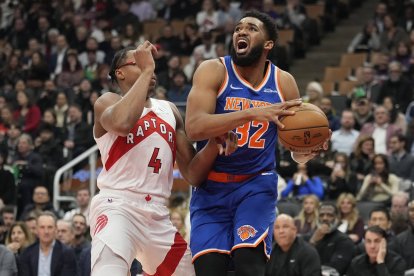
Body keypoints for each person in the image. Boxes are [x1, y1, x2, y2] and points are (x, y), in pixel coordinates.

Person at [185, 11, 329, 276]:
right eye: (238, 28)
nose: (241, 32)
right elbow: (193, 128)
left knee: (248, 262)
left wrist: (307, 151)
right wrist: (252, 113)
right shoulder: (213, 70)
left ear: (268, 44)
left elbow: (296, 153)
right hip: (211, 188)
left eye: (251, 29)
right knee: (210, 269)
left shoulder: (283, 82)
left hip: (255, 184)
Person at [90, 42, 237, 275]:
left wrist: (213, 143)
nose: (151, 68)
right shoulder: (107, 101)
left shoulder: (169, 110)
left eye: (151, 65)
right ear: (120, 73)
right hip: (117, 206)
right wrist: (146, 71)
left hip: (158, 214)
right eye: (139, 63)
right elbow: (122, 123)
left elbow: (193, 175)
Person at [18, 211, 77, 276]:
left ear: (55, 229)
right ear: (37, 229)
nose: (46, 231)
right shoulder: (27, 253)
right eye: (42, 227)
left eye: (50, 227)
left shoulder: (66, 253)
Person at [307, 202, 355, 275]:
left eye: (329, 215)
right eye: (321, 215)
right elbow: (300, 263)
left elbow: (334, 271)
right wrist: (313, 241)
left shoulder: (344, 241)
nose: (325, 218)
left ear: (337, 218)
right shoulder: (307, 238)